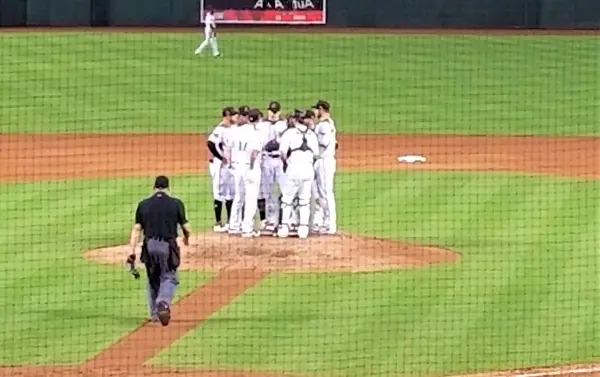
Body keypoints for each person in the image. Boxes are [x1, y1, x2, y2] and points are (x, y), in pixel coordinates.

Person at [127, 176, 191, 326]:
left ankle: (154, 314)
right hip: (167, 246)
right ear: (168, 188)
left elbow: (137, 230)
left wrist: (132, 252)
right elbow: (186, 228)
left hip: (149, 246)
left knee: (152, 278)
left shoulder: (143, 204)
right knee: (169, 276)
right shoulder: (175, 203)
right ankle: (163, 301)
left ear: (154, 187)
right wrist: (187, 238)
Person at [277, 111, 319, 239]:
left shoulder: (289, 133)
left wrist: (286, 164)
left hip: (293, 170)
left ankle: (284, 227)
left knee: (287, 200)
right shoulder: (312, 134)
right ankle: (303, 229)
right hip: (308, 171)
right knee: (304, 201)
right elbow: (316, 154)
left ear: (296, 121)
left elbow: (282, 153)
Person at [224, 109, 263, 237]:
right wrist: (251, 166)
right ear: (257, 119)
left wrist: (230, 164)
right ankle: (247, 228)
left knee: (238, 197)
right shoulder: (255, 133)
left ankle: (233, 226)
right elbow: (254, 153)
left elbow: (228, 149)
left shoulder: (235, 131)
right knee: (251, 199)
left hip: (237, 168)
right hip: (249, 168)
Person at [256, 101, 287, 232]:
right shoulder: (261, 125)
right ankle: (268, 220)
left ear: (279, 112)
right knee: (267, 191)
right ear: (268, 111)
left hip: (279, 160)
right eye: (271, 111)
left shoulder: (284, 124)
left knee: (284, 190)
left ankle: (283, 220)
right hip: (266, 160)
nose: (273, 114)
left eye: (276, 111)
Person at [207, 107, 237, 232]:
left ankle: (231, 222)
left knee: (230, 192)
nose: (236, 117)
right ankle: (218, 223)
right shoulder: (220, 129)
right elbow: (210, 143)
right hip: (219, 166)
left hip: (228, 166)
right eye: (234, 115)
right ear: (228, 115)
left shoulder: (232, 129)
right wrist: (221, 158)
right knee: (219, 192)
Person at [312, 100, 337, 234]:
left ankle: (330, 224)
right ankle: (320, 221)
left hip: (325, 161)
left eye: (316, 109)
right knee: (317, 193)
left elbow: (325, 142)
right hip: (320, 161)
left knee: (326, 192)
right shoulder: (327, 123)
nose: (315, 112)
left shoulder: (324, 125)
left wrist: (311, 139)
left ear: (321, 109)